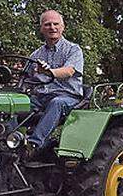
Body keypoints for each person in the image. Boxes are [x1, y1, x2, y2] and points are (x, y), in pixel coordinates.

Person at [25, 10, 85, 153]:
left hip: (68, 97)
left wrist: (49, 72)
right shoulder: (36, 55)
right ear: (41, 29)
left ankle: (34, 145)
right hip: (41, 98)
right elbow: (25, 78)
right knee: (14, 104)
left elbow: (69, 71)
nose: (52, 27)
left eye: (55, 24)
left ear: (63, 27)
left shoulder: (73, 50)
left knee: (56, 103)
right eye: (47, 24)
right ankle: (9, 143)